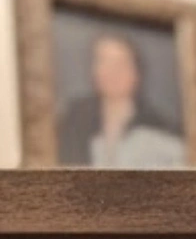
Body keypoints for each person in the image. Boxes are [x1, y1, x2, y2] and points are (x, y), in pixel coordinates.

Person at [57, 31, 186, 168]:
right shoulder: (73, 119)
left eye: (121, 62)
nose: (112, 71)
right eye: (104, 62)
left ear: (136, 73)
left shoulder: (160, 128)